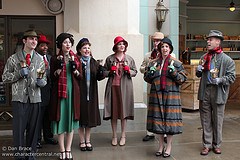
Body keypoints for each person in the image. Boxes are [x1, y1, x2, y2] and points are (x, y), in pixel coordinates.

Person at [2, 30, 47, 160]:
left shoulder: (39, 59)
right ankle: (19, 157)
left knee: (33, 130)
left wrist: (41, 82)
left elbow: (44, 79)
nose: (34, 41)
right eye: (31, 39)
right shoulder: (14, 58)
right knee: (19, 131)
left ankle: (31, 156)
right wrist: (18, 74)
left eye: (36, 40)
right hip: (19, 99)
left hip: (35, 99)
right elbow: (4, 77)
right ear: (24, 41)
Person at [144, 37, 187, 157]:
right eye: (162, 46)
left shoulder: (177, 63)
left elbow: (182, 79)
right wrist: (150, 73)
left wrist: (174, 72)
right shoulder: (153, 62)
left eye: (167, 46)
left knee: (169, 121)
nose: (164, 48)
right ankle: (160, 146)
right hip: (157, 95)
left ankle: (168, 146)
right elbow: (147, 78)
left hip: (171, 95)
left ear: (170, 48)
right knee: (158, 121)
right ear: (159, 48)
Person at [196, 30, 236, 156]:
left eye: (210, 39)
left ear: (218, 42)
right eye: (207, 39)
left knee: (218, 120)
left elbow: (231, 77)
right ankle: (206, 145)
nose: (208, 41)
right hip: (205, 91)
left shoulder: (227, 60)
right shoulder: (203, 57)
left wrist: (219, 80)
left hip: (218, 92)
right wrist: (198, 70)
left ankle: (217, 144)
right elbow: (198, 75)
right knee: (205, 120)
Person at [50, 33, 82, 160]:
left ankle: (68, 149)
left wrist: (76, 71)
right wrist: (56, 72)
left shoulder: (76, 58)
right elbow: (51, 77)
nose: (68, 44)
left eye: (69, 42)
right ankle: (62, 150)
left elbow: (81, 78)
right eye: (65, 42)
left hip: (72, 93)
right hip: (59, 94)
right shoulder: (55, 59)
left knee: (71, 122)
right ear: (60, 44)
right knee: (61, 122)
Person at [103, 36, 137, 146]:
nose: (122, 46)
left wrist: (128, 70)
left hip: (125, 89)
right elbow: (103, 72)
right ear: (115, 46)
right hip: (113, 88)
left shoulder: (129, 59)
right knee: (113, 113)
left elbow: (135, 72)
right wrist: (109, 72)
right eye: (119, 44)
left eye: (123, 44)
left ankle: (123, 135)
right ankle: (114, 136)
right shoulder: (110, 59)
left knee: (124, 113)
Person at [76, 38, 105, 151]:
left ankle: (88, 140)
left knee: (89, 118)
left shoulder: (93, 61)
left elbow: (99, 77)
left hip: (91, 94)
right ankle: (82, 141)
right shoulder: (77, 61)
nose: (87, 50)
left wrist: (101, 70)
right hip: (80, 93)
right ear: (79, 50)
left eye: (88, 47)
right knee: (80, 118)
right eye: (84, 48)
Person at [140, 31, 165, 142]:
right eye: (155, 41)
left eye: (158, 41)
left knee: (164, 109)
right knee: (151, 109)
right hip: (152, 86)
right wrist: (147, 69)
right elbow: (142, 67)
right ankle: (150, 132)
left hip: (164, 86)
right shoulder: (148, 55)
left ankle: (164, 133)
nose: (156, 43)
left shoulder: (170, 54)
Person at [35, 34, 58, 148]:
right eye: (42, 45)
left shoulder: (50, 58)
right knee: (38, 117)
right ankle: (37, 140)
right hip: (38, 91)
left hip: (49, 91)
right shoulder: (33, 58)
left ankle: (48, 137)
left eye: (46, 45)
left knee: (48, 116)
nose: (45, 47)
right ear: (37, 47)